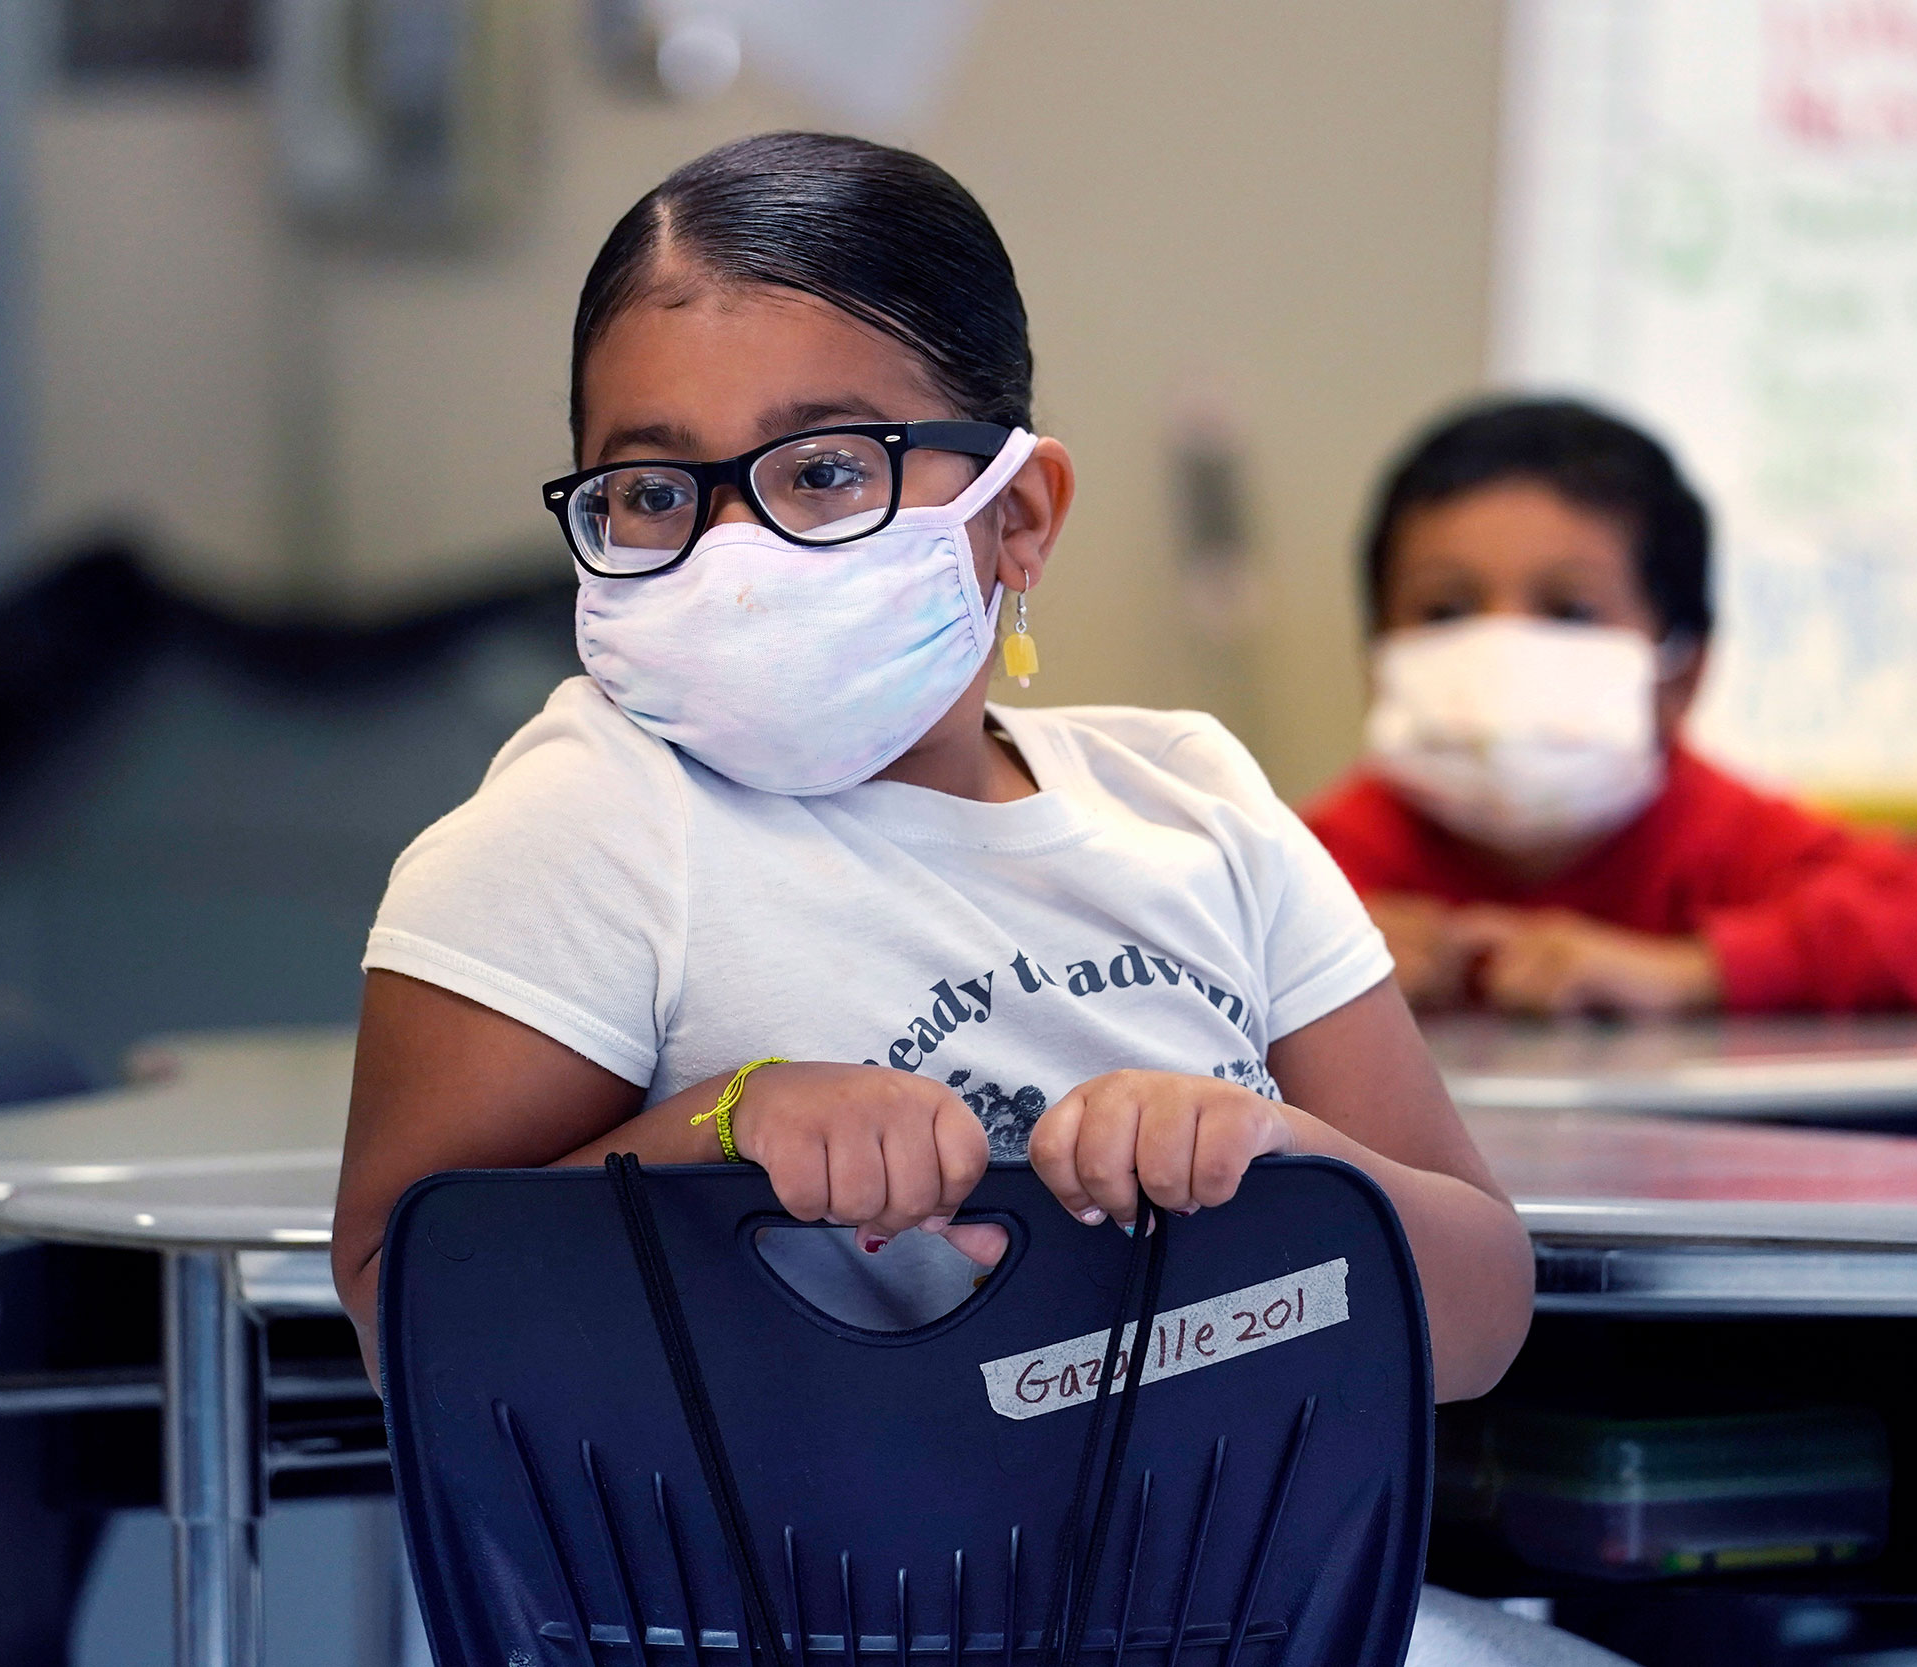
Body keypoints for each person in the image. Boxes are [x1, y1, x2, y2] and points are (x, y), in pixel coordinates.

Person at [332, 133, 1593, 1666]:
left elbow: (1477, 1318)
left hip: (1241, 1622)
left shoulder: (1196, 801)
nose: (734, 554)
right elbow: (412, 1303)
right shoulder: (581, 826)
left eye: (824, 471)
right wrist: (722, 1129)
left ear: (1021, 516)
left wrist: (1281, 1152)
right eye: (656, 488)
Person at [1305, 398, 1917, 1017]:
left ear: (1682, 671)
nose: (1500, 647)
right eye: (1445, 610)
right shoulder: (1308, 870)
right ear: (1377, 655)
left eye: (1569, 611)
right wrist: (1308, 975)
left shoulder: (1726, 841)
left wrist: (1692, 969)